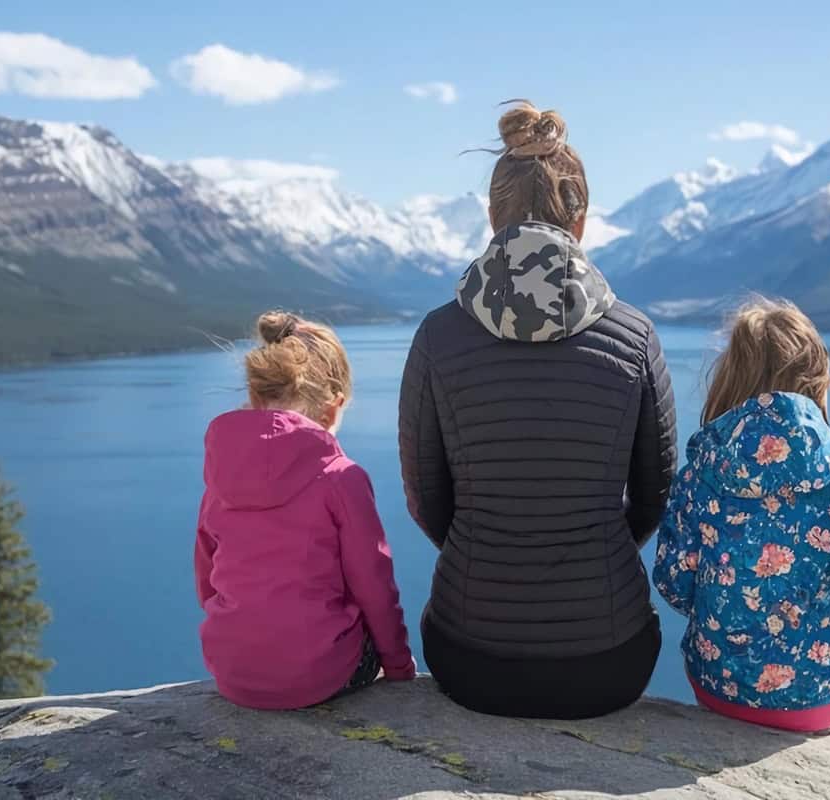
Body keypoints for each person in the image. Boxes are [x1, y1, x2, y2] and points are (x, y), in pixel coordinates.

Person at [398, 101, 677, 719]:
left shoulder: (438, 337)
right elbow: (656, 496)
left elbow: (427, 498)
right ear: (580, 221)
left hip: (468, 658)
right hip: (611, 659)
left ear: (492, 217)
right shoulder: (634, 338)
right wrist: (588, 540)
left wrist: (493, 543)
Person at [653, 298, 830, 732]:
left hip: (717, 687)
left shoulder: (700, 473)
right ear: (817, 383)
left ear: (728, 378)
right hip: (819, 696)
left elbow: (674, 586)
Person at [195, 311, 415, 709]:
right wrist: (399, 667)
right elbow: (374, 586)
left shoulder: (221, 472)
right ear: (333, 408)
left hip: (233, 675)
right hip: (318, 676)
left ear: (256, 393)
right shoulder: (342, 477)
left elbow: (207, 577)